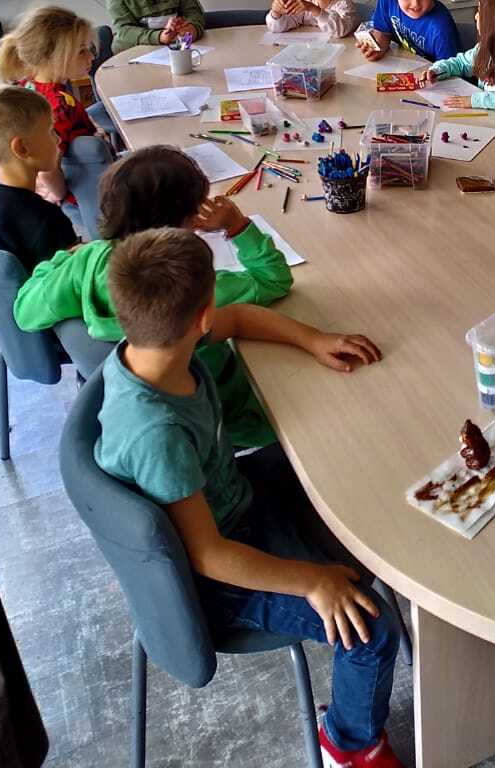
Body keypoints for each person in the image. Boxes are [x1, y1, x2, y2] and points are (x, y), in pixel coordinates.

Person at [95, 228, 405, 767]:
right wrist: (312, 581)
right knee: (372, 630)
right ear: (202, 315)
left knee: (339, 459)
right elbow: (208, 554)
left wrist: (313, 339)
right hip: (219, 578)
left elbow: (237, 319)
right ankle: (349, 742)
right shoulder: (156, 435)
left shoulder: (154, 348)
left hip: (233, 499)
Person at [14, 145, 295, 448]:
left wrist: (65, 257)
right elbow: (274, 280)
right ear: (188, 220)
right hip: (229, 420)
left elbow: (24, 311)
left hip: (153, 417)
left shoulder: (89, 261)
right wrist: (237, 226)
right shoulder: (188, 288)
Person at [0, 4, 106, 204]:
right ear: (51, 58)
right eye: (81, 51)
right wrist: (60, 195)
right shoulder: (57, 108)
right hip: (83, 192)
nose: (91, 57)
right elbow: (47, 169)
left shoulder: (28, 84)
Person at [0, 85, 76, 273]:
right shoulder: (47, 219)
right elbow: (74, 277)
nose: (57, 139)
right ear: (22, 148)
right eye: (50, 131)